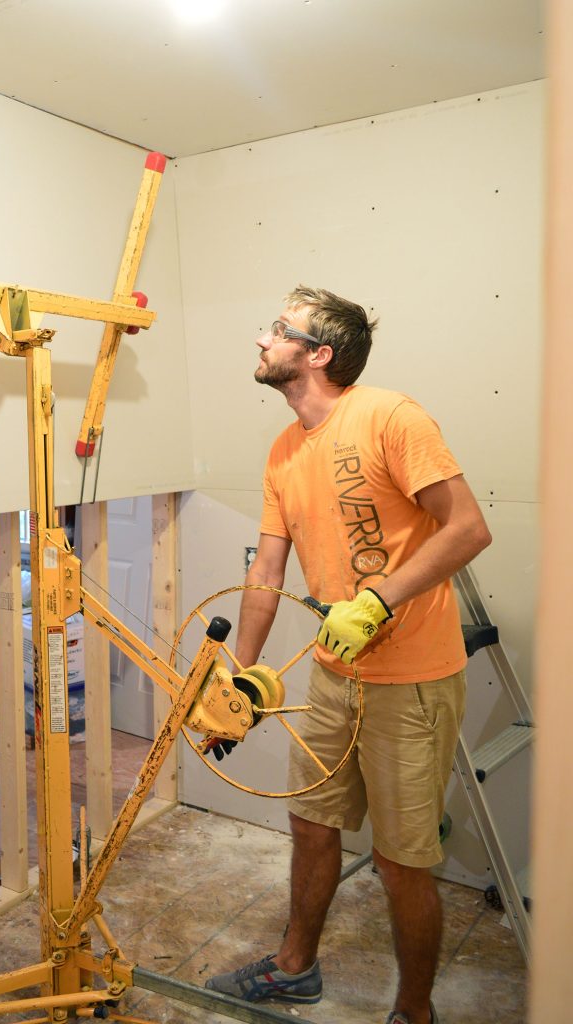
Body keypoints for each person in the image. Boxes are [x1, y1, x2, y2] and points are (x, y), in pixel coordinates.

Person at [204, 286, 492, 1024]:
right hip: (335, 678)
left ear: (318, 354)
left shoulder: (390, 416)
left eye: (278, 330)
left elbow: (466, 529)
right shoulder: (282, 450)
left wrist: (378, 600)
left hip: (412, 683)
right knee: (311, 827)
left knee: (401, 861)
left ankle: (415, 1011)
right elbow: (266, 575)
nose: (262, 340)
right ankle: (296, 967)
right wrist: (239, 678)